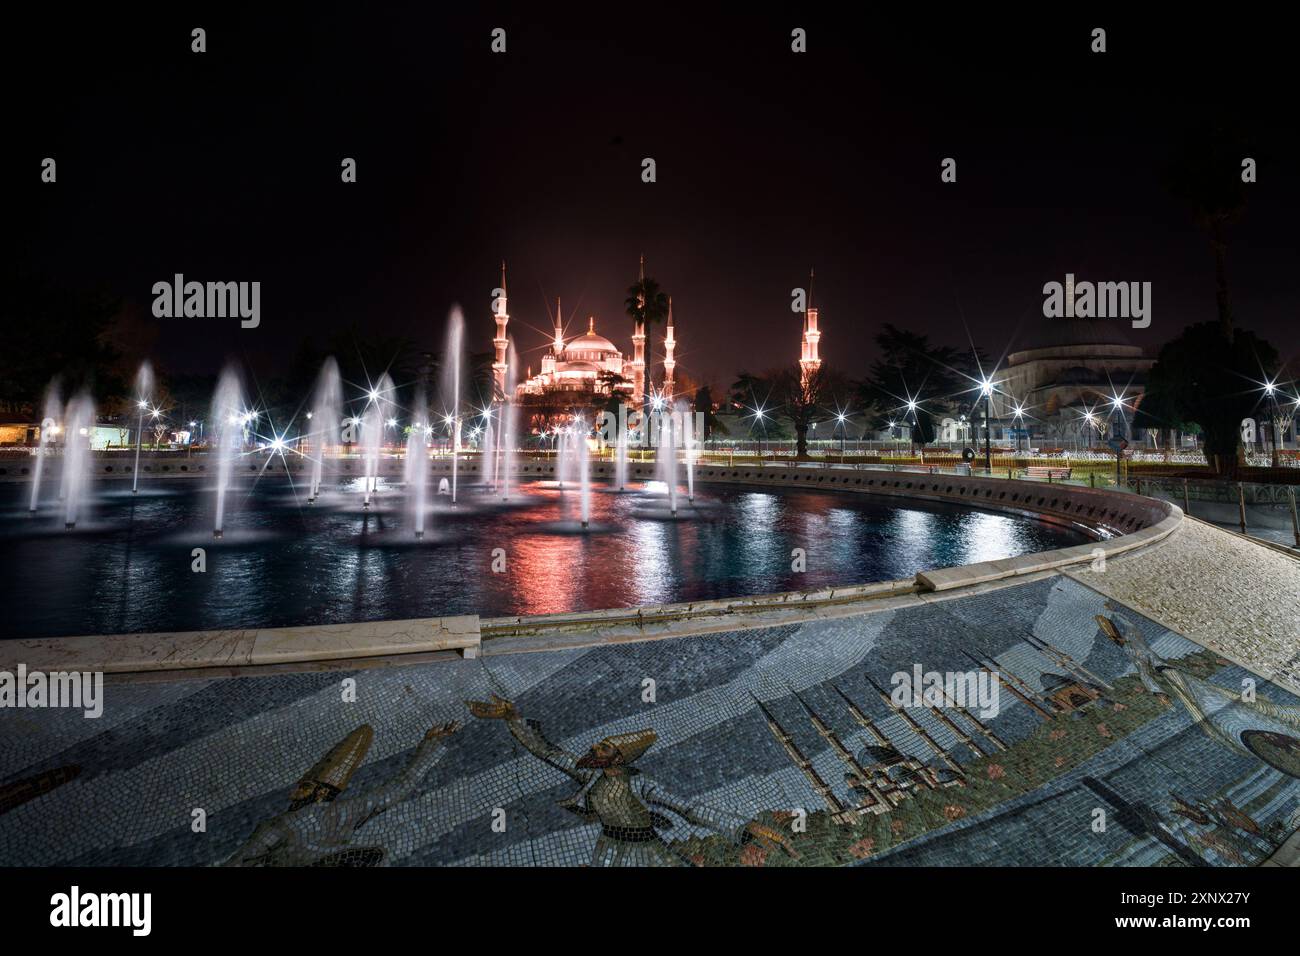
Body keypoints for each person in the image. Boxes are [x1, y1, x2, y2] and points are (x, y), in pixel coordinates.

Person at [466, 694, 795, 865]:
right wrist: (514, 718)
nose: (595, 748)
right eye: (599, 744)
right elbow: (548, 752)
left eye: (604, 747)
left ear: (619, 758)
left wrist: (746, 827)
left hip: (648, 852)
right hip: (609, 848)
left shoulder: (641, 784)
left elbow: (689, 810)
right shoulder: (589, 775)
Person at [223, 721, 460, 866]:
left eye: (303, 786)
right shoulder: (344, 812)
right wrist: (429, 746)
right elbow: (397, 788)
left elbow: (238, 863)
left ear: (318, 793)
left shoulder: (279, 825)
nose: (293, 792)